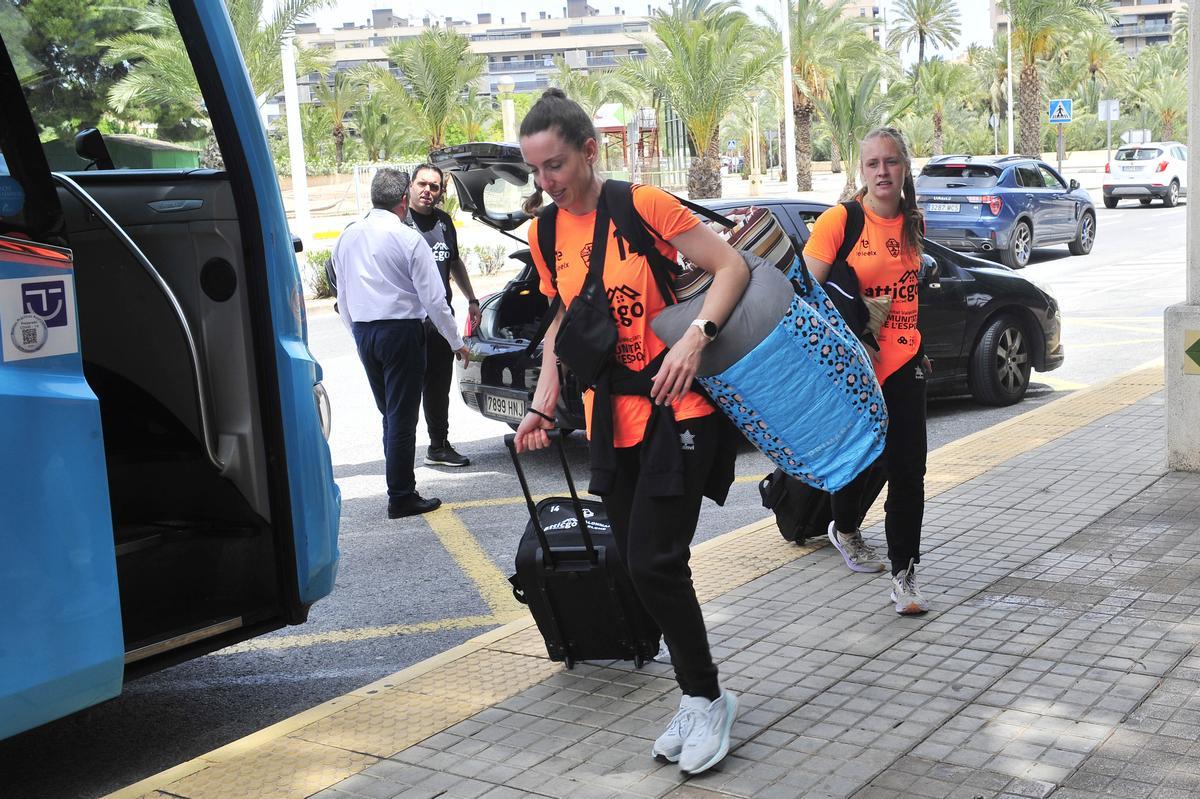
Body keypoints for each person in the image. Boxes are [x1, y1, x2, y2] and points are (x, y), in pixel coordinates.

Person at [512, 88, 749, 776]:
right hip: (609, 420)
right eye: (535, 171)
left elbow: (731, 266)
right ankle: (698, 693)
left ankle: (707, 697)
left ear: (590, 151)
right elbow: (565, 321)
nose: (546, 182)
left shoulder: (641, 207)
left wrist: (694, 340)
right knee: (643, 563)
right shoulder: (547, 231)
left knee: (652, 559)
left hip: (680, 410)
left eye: (554, 165)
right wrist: (542, 402)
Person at [802, 126, 931, 615]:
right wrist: (853, 318)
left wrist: (918, 347)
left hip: (903, 364)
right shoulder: (841, 221)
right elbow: (808, 298)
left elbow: (911, 294)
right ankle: (845, 527)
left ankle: (905, 576)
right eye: (873, 163)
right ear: (862, 170)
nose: (882, 171)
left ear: (903, 168)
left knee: (909, 471)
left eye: (891, 162)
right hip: (852, 367)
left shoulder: (914, 223)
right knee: (855, 459)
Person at [332, 168, 470, 519]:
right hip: (401, 334)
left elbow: (343, 294)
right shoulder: (408, 239)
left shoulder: (348, 237)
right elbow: (435, 300)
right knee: (402, 418)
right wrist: (457, 341)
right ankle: (402, 496)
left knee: (390, 416)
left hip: (366, 333)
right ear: (403, 200)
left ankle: (399, 489)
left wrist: (358, 333)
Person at [404, 163, 481, 468]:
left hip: (439, 320)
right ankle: (399, 451)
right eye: (422, 184)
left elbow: (454, 262)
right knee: (406, 389)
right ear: (410, 185)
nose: (428, 191)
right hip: (408, 321)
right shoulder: (400, 222)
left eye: (434, 187)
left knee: (438, 387)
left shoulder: (444, 222)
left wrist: (472, 298)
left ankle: (438, 446)